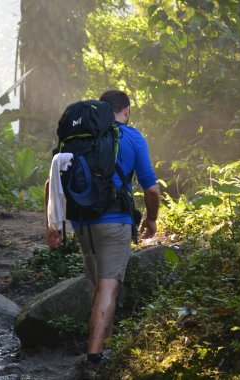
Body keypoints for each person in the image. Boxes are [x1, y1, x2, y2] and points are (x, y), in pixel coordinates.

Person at [45, 90, 160, 375]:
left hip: (81, 221)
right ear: (127, 110)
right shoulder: (132, 137)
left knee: (99, 285)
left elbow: (51, 184)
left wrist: (52, 225)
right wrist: (152, 220)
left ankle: (103, 346)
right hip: (115, 221)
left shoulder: (82, 137)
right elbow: (151, 189)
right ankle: (94, 358)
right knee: (108, 286)